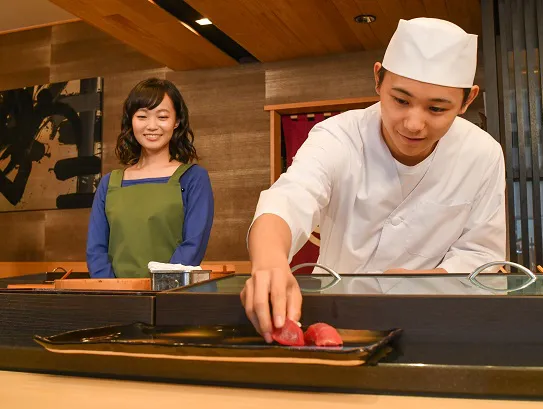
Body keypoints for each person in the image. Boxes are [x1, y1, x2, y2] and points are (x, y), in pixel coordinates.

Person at [241, 18, 506, 342]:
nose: (414, 124)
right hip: (335, 321)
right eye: (401, 100)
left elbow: (481, 254)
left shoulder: (482, 154)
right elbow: (291, 198)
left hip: (432, 322)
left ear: (467, 101)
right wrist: (269, 262)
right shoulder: (338, 136)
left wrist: (421, 281)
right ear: (378, 79)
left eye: (437, 108)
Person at [86, 78, 214, 278]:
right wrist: (113, 292)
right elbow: (96, 250)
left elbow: (193, 246)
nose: (152, 126)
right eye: (142, 116)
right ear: (131, 121)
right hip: (115, 299)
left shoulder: (193, 178)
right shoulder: (109, 183)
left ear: (177, 122)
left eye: (162, 117)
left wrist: (158, 289)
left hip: (171, 298)